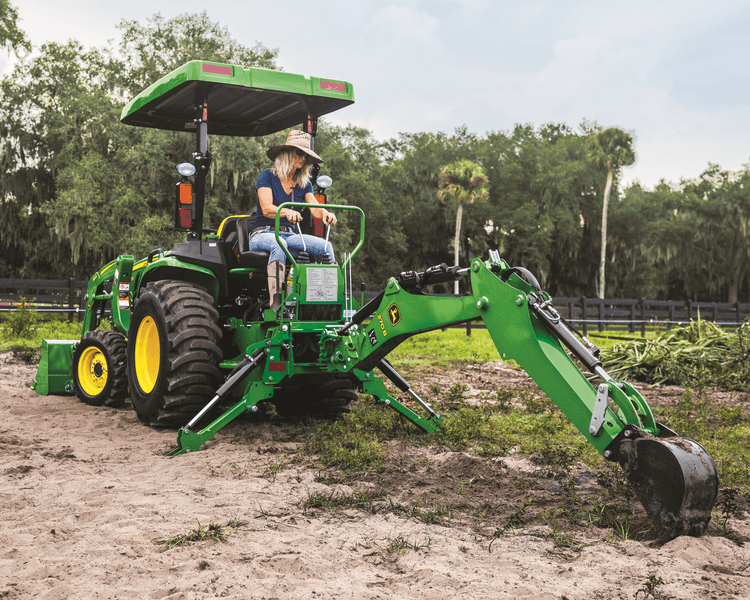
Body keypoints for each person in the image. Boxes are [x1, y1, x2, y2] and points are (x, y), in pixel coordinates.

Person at [249, 130, 337, 308]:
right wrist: (286, 212)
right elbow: (266, 209)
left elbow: (315, 209)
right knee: (278, 243)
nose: (303, 158)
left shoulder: (304, 184)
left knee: (325, 246)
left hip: (290, 235)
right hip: (263, 233)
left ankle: (328, 300)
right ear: (287, 154)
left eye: (305, 155)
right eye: (299, 153)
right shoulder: (267, 177)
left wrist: (326, 213)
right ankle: (276, 302)